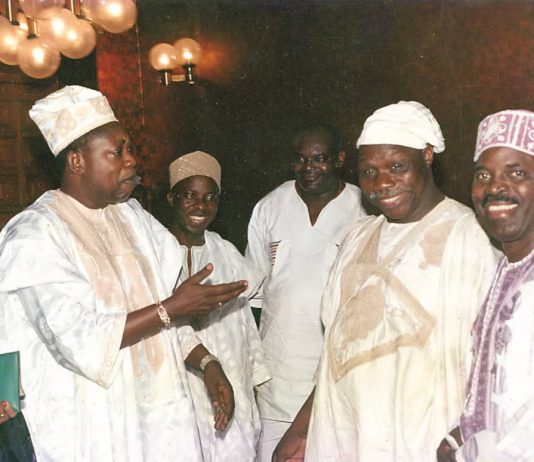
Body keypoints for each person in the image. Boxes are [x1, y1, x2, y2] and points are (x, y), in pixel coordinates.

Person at [0, 85, 247, 461]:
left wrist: (207, 363)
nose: (131, 160)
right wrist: (171, 308)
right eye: (116, 152)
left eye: (130, 149)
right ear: (77, 161)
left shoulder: (133, 218)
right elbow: (79, 339)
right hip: (91, 422)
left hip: (158, 415)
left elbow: (164, 314)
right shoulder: (35, 234)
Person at [274, 101, 499, 462]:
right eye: (368, 171)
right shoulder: (358, 237)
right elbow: (337, 350)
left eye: (396, 167)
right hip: (344, 435)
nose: (381, 183)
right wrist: (302, 427)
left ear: (427, 156)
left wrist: (464, 439)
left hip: (424, 441)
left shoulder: (469, 236)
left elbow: (496, 363)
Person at [245, 124, 366, 461]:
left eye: (320, 158)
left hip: (338, 380)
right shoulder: (270, 206)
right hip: (277, 382)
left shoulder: (363, 208)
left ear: (339, 159)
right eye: (300, 159)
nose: (308, 167)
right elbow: (254, 296)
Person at [438, 109, 534, 461]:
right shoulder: (507, 266)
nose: (495, 187)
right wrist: (460, 434)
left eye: (517, 173)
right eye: (483, 175)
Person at [166, 151, 271, 461]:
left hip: (227, 385)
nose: (201, 206)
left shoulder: (225, 252)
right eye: (190, 195)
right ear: (172, 198)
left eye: (210, 197)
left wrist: (249, 384)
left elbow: (245, 326)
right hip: (177, 392)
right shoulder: (154, 251)